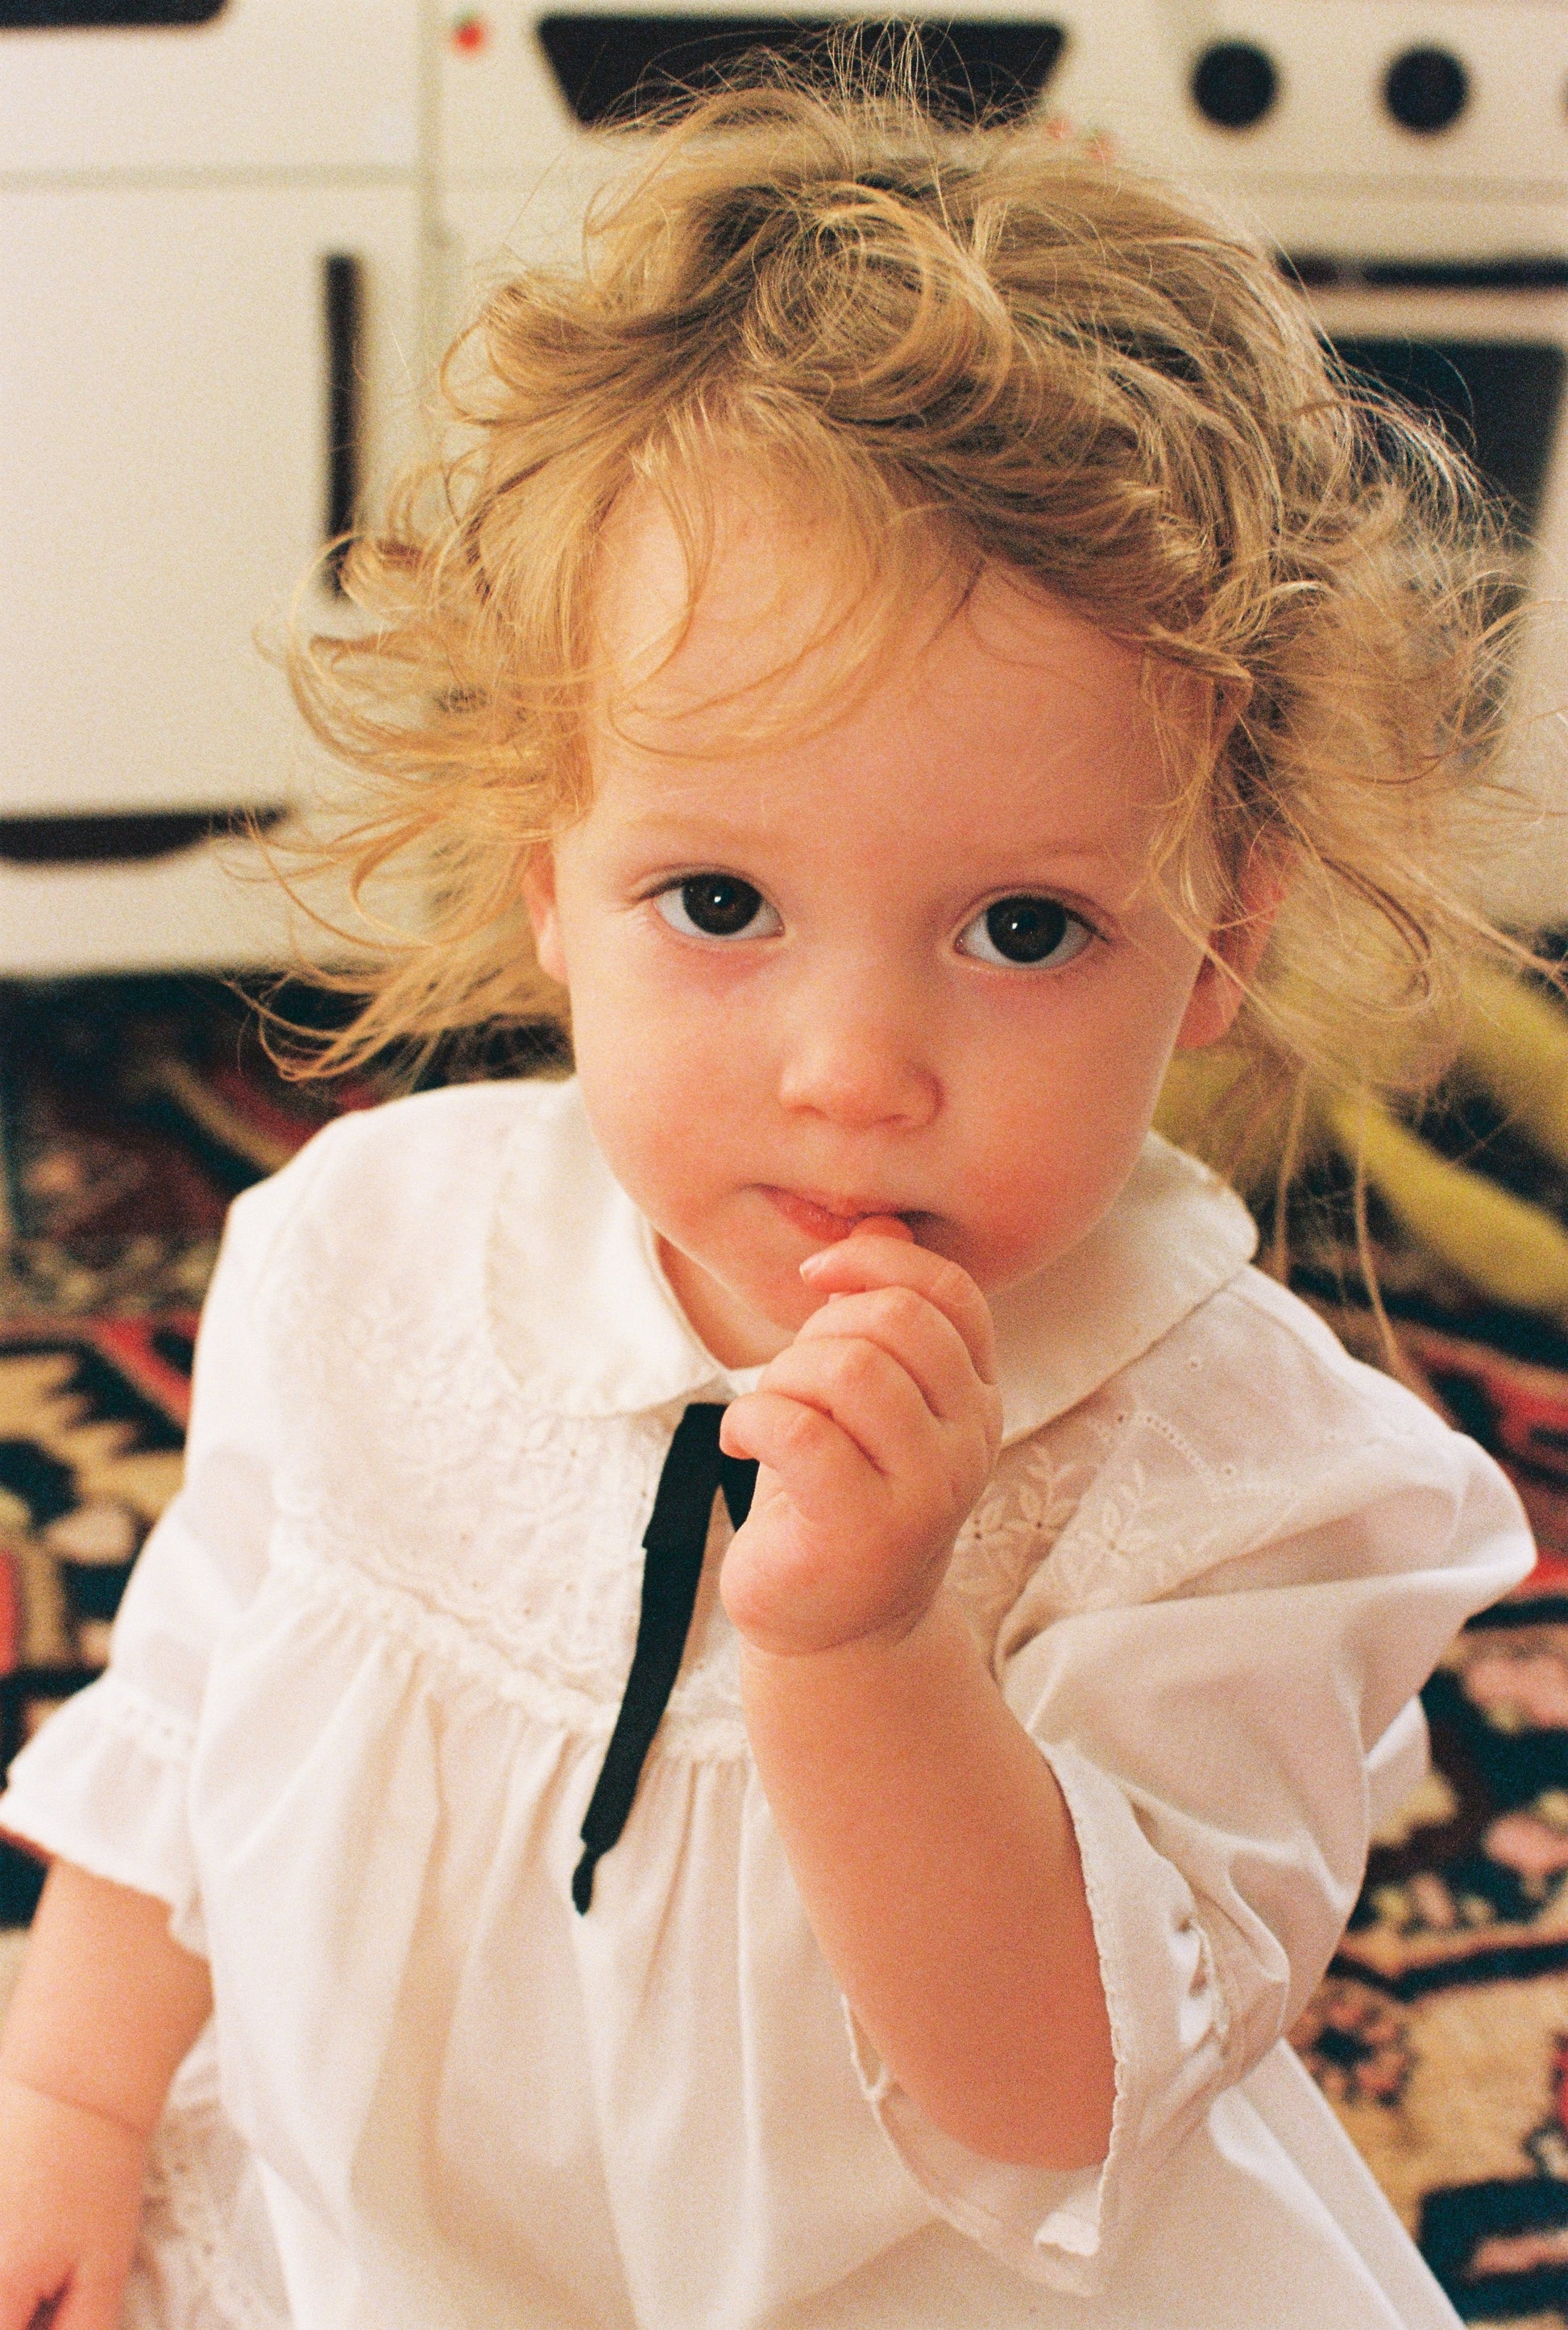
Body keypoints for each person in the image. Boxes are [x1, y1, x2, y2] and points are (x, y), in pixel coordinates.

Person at [0, 74, 1542, 2330]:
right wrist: (70, 2103)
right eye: (716, 897)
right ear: (548, 876)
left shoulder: (1249, 1494)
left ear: (1214, 941)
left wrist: (866, 1649)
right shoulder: (364, 1256)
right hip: (404, 2258)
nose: (851, 1070)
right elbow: (198, 1723)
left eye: (1021, 928)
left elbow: (1054, 2099)